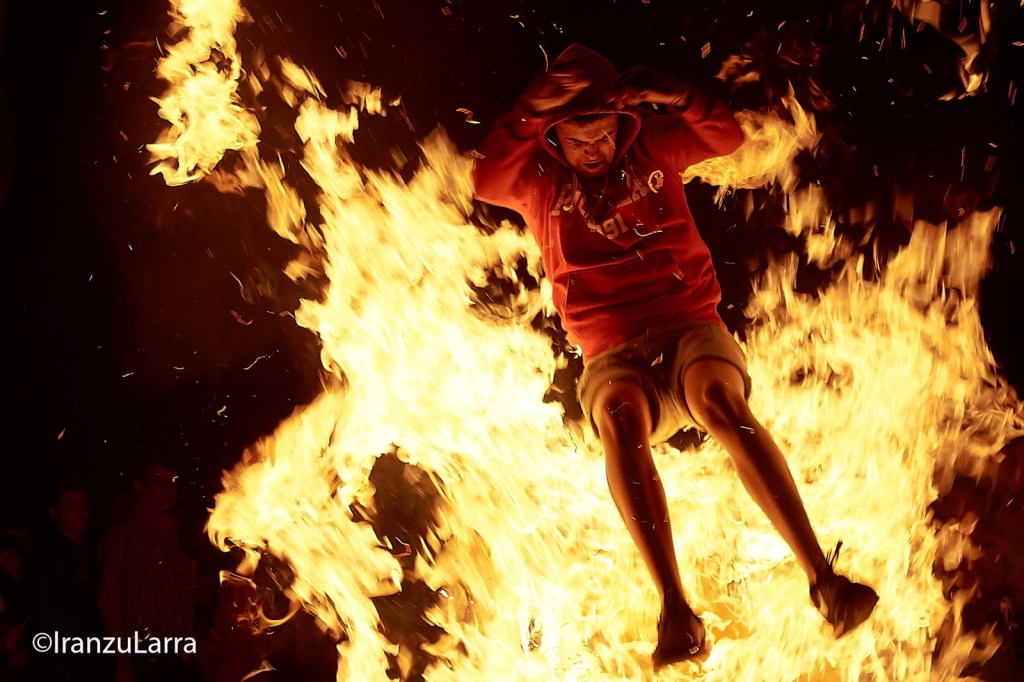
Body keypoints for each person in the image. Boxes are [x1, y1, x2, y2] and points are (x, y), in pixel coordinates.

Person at [471, 43, 878, 668]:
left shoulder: (652, 147)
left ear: (622, 124)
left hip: (688, 324)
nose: (595, 151)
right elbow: (486, 180)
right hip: (612, 352)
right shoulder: (539, 180)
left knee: (718, 399)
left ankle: (823, 578)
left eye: (604, 136)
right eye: (579, 140)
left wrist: (674, 93)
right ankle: (676, 609)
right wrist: (530, 105)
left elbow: (725, 136)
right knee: (619, 418)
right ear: (555, 136)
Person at [98, 457, 203, 682]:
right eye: (158, 482)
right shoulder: (123, 537)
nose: (167, 490)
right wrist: (123, 664)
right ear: (139, 487)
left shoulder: (179, 534)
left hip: (182, 655)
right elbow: (109, 603)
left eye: (172, 482)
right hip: (146, 658)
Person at [30, 477, 110, 682]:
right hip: (71, 662)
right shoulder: (51, 558)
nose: (79, 512)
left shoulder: (92, 548)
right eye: (70, 505)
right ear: (54, 512)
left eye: (83, 504)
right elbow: (50, 620)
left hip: (95, 656)